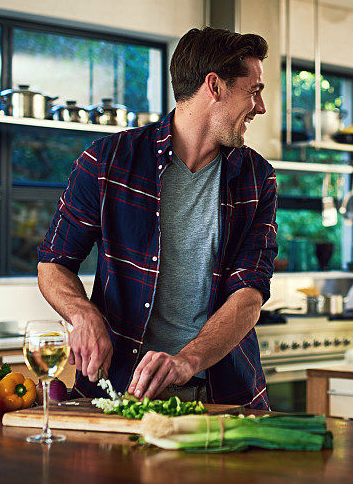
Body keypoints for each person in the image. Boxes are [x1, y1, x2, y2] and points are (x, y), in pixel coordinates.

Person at [36, 27, 278, 409]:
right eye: (253, 91)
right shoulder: (107, 162)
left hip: (221, 394)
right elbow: (53, 263)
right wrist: (82, 314)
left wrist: (187, 360)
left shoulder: (255, 177)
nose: (261, 106)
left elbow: (249, 292)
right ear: (214, 86)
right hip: (116, 393)